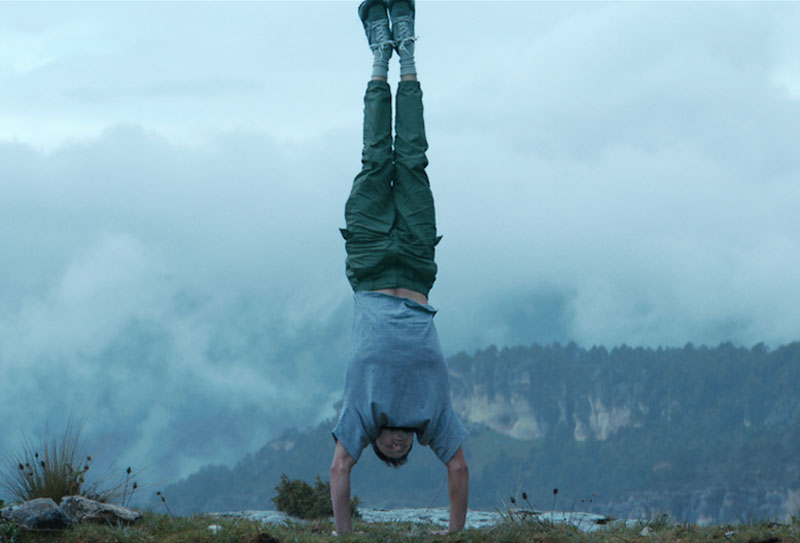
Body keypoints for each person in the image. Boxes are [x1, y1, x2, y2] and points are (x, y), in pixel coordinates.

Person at [329, 0, 469, 535]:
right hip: (414, 264)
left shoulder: (361, 418)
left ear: (377, 443)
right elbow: (458, 469)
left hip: (367, 263)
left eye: (388, 450)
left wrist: (343, 535)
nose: (397, 445)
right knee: (410, 158)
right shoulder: (435, 420)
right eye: (402, 450)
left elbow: (340, 470)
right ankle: (406, 50)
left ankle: (377, 58)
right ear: (412, 443)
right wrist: (454, 535)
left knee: (373, 157)